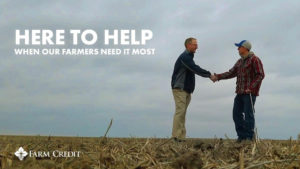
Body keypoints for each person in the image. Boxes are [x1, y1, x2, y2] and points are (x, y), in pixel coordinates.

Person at [211, 40, 265, 142]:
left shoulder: (255, 60)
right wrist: (217, 77)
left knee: (248, 114)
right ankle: (242, 136)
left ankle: (249, 137)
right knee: (236, 114)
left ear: (245, 48)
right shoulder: (239, 62)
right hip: (239, 92)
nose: (238, 49)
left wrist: (251, 87)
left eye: (239, 47)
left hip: (249, 93)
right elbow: (231, 73)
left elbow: (260, 75)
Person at [171, 37, 214, 142]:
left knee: (182, 113)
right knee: (180, 112)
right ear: (188, 45)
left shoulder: (189, 57)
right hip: (179, 88)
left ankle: (181, 137)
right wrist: (209, 75)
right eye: (195, 44)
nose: (197, 47)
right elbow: (195, 68)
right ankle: (176, 137)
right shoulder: (185, 57)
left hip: (186, 90)